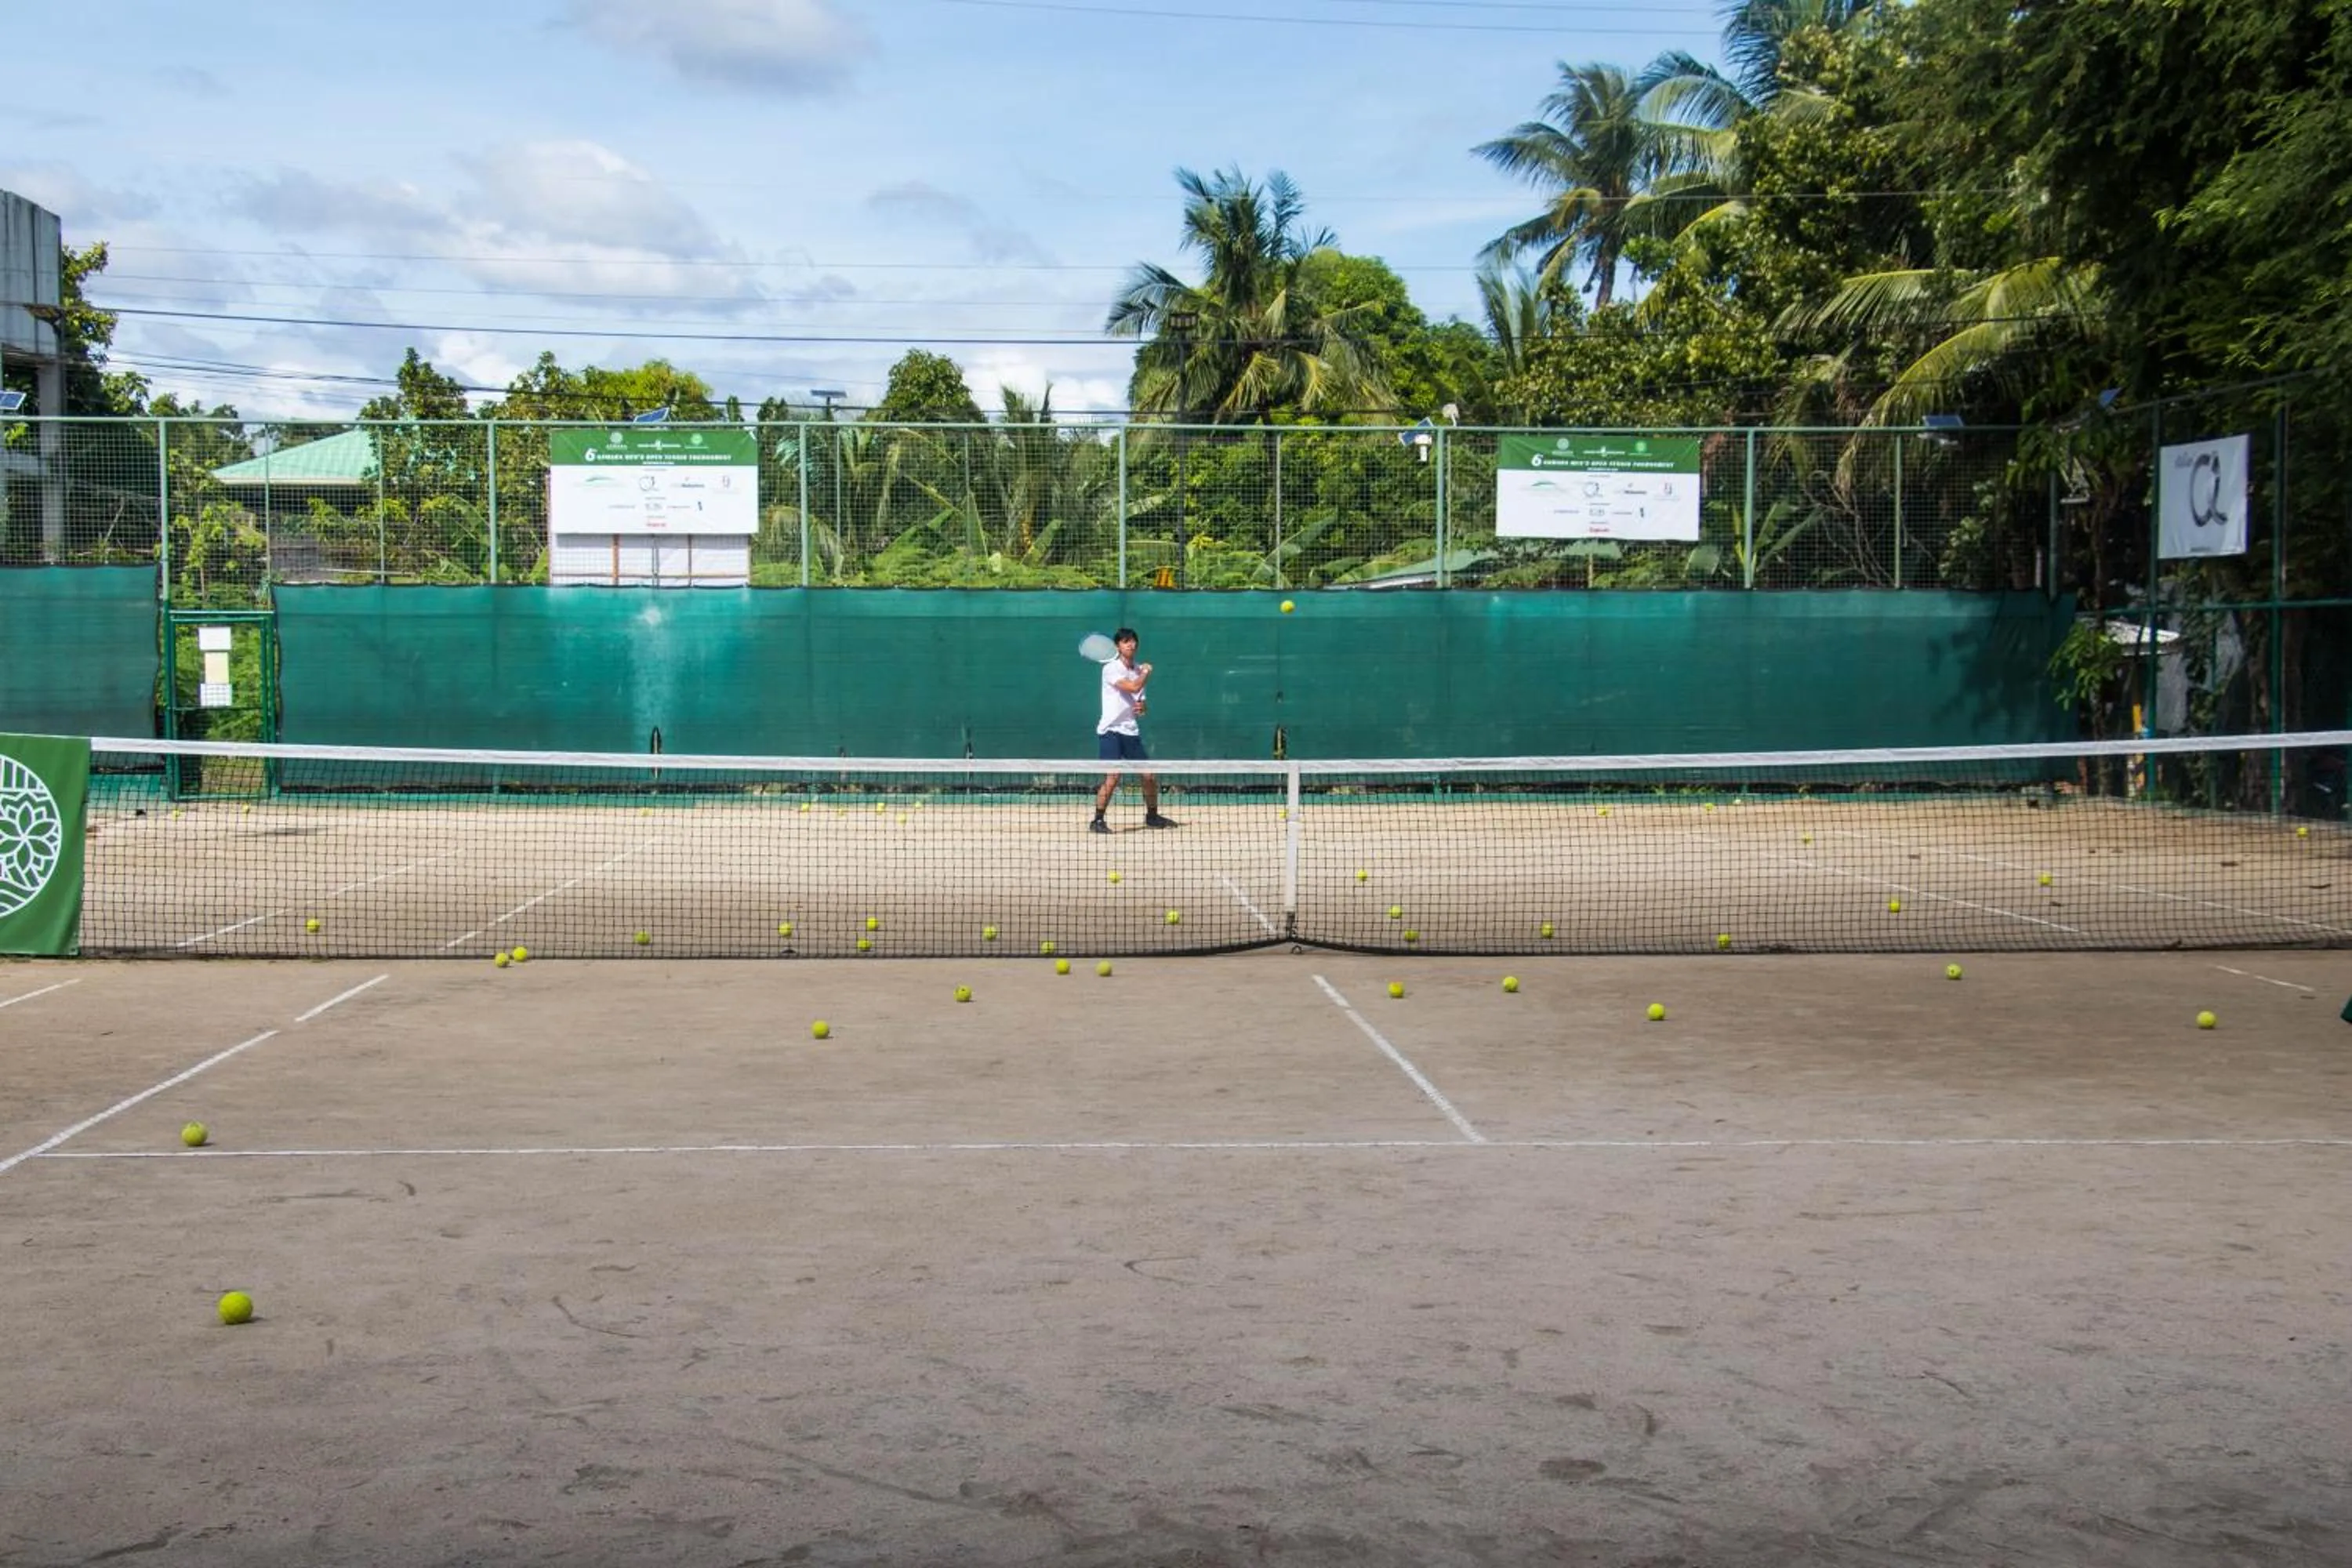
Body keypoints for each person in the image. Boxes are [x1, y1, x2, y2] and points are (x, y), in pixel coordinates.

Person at [1092, 627, 1176, 833]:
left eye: (1133, 641)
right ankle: (1098, 821)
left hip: (1130, 730)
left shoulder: (1138, 670)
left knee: (1149, 775)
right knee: (1113, 776)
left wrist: (1142, 708)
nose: (1131, 644)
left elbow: (1140, 701)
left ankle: (1152, 817)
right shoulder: (1111, 669)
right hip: (1110, 731)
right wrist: (1146, 672)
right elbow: (1133, 687)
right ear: (1118, 646)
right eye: (1126, 641)